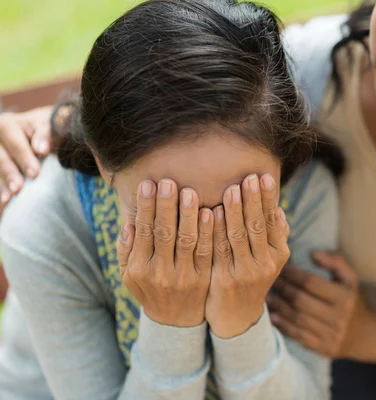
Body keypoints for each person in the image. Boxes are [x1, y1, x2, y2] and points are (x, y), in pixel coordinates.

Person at [3, 0, 376, 399]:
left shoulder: (300, 182)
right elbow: (174, 88)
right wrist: (53, 120)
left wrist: (251, 323)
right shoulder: (309, 72)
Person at [0, 0, 340, 399]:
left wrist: (241, 320)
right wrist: (171, 321)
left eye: (238, 202)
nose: (202, 234)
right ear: (103, 162)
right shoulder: (44, 225)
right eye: (171, 207)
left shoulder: (305, 194)